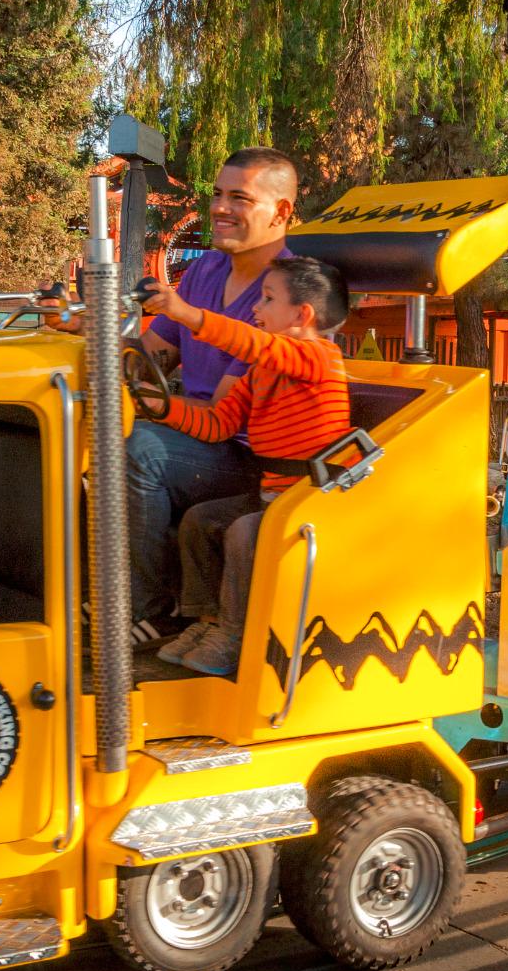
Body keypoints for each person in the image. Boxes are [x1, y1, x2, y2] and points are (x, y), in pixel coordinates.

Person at [145, 258, 352, 676]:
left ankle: (235, 635)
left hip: (312, 500)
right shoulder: (262, 373)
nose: (256, 308)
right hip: (272, 496)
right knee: (200, 520)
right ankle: (207, 621)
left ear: (302, 314)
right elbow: (219, 424)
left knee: (243, 531)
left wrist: (184, 313)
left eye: (268, 299)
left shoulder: (318, 358)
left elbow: (250, 343)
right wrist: (160, 407)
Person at [124, 148, 298, 644]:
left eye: (239, 198)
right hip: (197, 436)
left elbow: (221, 416)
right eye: (218, 195)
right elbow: (151, 355)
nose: (219, 208)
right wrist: (87, 331)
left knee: (140, 452)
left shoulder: (282, 296)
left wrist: (151, 407)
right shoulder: (203, 274)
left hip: (245, 453)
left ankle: (150, 612)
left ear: (280, 212)